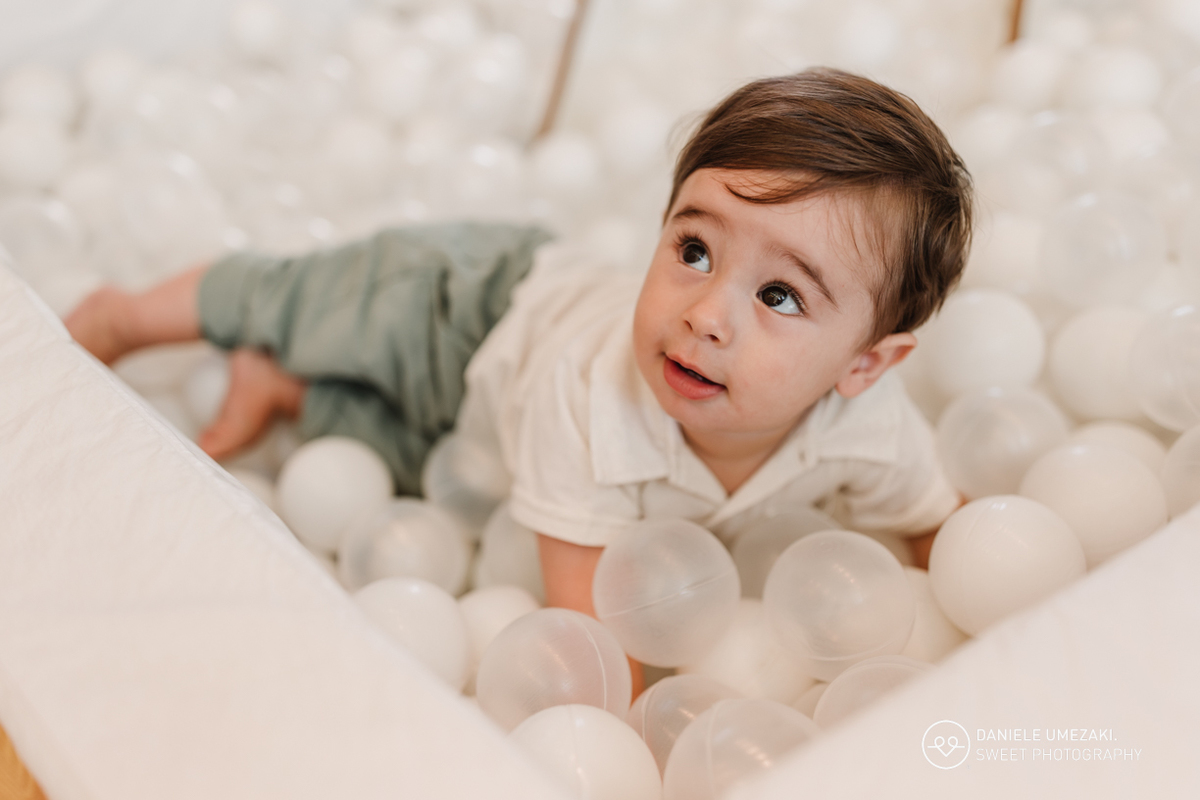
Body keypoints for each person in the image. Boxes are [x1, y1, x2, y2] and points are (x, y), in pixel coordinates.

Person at [66, 68, 972, 688]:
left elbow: (951, 533)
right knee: (301, 299)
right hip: (466, 305)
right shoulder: (596, 400)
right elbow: (586, 625)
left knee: (411, 456)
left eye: (779, 294)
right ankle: (131, 311)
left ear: (866, 365)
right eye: (693, 248)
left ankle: (285, 387)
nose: (706, 314)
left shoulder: (870, 432)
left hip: (487, 421)